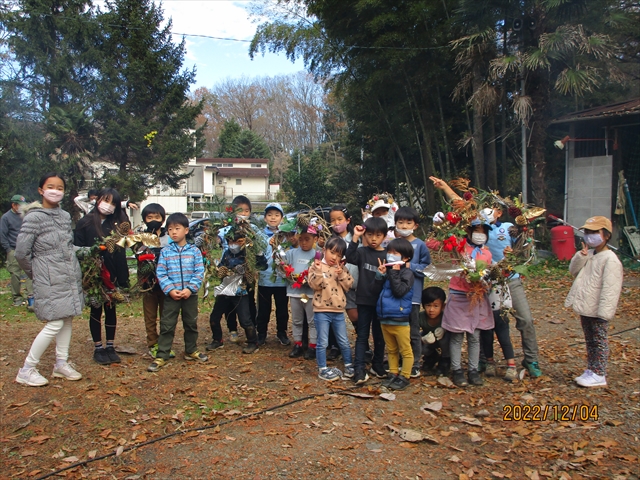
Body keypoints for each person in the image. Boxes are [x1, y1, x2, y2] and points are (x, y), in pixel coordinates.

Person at [15, 173, 84, 386]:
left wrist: (89, 251)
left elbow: (66, 247)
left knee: (67, 318)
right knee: (54, 322)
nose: (56, 190)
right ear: (41, 190)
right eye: (50, 186)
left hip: (68, 276)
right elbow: (21, 253)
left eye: (60, 187)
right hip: (48, 278)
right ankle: (27, 369)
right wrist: (36, 274)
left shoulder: (64, 216)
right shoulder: (34, 217)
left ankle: (61, 364)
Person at [479, 205, 543, 377]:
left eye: (491, 210)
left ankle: (531, 359)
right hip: (488, 281)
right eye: (483, 210)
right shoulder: (477, 228)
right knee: (487, 322)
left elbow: (523, 248)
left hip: (511, 279)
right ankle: (484, 358)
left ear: (499, 212)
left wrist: (523, 239)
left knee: (525, 319)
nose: (486, 213)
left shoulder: (508, 228)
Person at [565, 216, 623, 388]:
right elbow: (573, 271)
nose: (590, 236)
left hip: (598, 309)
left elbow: (610, 289)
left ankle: (599, 373)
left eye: (594, 232)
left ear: (605, 235)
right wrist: (581, 256)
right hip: (586, 306)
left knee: (599, 341)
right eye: (587, 232)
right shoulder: (589, 255)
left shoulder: (610, 259)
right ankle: (591, 369)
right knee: (590, 340)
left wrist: (605, 312)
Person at [74, 188, 130, 365]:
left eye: (113, 203)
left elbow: (121, 254)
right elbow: (76, 248)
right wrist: (93, 254)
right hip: (94, 275)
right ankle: (98, 347)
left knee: (111, 308)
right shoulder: (85, 223)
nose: (108, 206)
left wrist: (123, 279)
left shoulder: (117, 226)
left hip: (112, 274)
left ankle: (111, 346)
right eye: (106, 200)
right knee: (96, 309)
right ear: (98, 200)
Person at [147, 213, 207, 371]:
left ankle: (191, 350)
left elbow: (199, 272)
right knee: (167, 325)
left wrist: (189, 289)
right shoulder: (166, 252)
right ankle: (162, 355)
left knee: (191, 323)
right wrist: (171, 290)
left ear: (186, 230)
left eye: (177, 228)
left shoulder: (194, 251)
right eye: (170, 229)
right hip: (171, 296)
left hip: (190, 295)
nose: (173, 232)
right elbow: (161, 273)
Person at [441, 219, 494, 387]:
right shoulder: (460, 248)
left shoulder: (487, 253)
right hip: (459, 295)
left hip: (477, 297)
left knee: (475, 336)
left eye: (483, 231)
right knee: (456, 335)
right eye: (476, 230)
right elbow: (437, 243)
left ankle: (473, 370)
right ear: (469, 232)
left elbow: (489, 272)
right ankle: (457, 370)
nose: (480, 235)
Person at [207, 228, 265, 354]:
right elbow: (221, 267)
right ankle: (217, 340)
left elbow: (262, 265)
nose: (234, 244)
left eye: (238, 241)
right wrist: (219, 269)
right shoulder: (226, 253)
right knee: (214, 317)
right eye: (231, 241)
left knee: (245, 319)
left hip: (240, 291)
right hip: (225, 289)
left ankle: (252, 342)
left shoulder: (248, 254)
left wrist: (259, 255)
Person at [345, 216, 388, 384]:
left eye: (378, 235)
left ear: (384, 236)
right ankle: (359, 369)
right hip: (363, 301)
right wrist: (355, 237)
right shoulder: (362, 252)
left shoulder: (387, 255)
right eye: (369, 235)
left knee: (380, 336)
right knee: (362, 336)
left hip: (381, 302)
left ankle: (377, 365)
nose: (373, 239)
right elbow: (349, 256)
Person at [307, 236, 355, 381]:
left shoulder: (342, 269)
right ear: (324, 250)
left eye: (339, 255)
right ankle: (323, 369)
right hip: (321, 311)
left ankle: (348, 365)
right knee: (323, 341)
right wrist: (319, 271)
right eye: (332, 252)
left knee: (344, 341)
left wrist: (341, 275)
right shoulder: (316, 266)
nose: (335, 257)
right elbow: (314, 285)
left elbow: (349, 285)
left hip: (338, 311)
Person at [394, 206, 431, 377]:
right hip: (395, 296)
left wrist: (410, 266)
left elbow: (427, 268)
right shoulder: (392, 245)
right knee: (397, 329)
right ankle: (401, 359)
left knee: (413, 331)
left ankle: (415, 363)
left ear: (415, 225)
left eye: (408, 222)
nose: (404, 225)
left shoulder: (420, 245)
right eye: (400, 222)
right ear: (395, 224)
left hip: (413, 296)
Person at [218, 195, 259, 341]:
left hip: (247, 270)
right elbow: (216, 238)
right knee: (228, 299)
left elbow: (261, 245)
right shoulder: (227, 229)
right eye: (240, 211)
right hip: (228, 269)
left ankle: (252, 326)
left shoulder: (253, 229)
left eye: (247, 211)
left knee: (248, 300)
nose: (243, 214)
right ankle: (232, 329)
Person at [376, 238, 415, 391]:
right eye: (389, 252)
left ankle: (405, 375)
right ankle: (393, 373)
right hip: (385, 318)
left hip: (400, 319)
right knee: (391, 349)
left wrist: (394, 274)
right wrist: (381, 275)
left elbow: (399, 291)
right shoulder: (390, 271)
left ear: (405, 258)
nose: (391, 255)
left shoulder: (407, 273)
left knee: (405, 350)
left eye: (395, 253)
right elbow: (379, 290)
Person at [138, 203, 171, 358]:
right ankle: (153, 343)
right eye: (149, 217)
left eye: (157, 217)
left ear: (163, 219)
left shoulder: (169, 238)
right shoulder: (140, 238)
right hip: (148, 283)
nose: (153, 220)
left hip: (167, 284)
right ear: (144, 219)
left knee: (167, 316)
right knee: (150, 316)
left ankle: (165, 345)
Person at [326, 205, 359, 360]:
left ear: (348, 220)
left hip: (352, 283)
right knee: (333, 314)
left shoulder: (357, 238)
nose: (336, 223)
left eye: (340, 219)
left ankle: (362, 344)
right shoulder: (329, 239)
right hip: (333, 285)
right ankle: (334, 346)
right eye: (333, 220)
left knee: (354, 315)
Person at [256, 202, 290, 346]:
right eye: (269, 215)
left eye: (277, 215)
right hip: (265, 279)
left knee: (282, 310)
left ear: (282, 218)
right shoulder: (259, 235)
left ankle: (281, 333)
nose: (273, 218)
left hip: (282, 280)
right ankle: (261, 334)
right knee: (263, 309)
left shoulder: (286, 235)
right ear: (265, 218)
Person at [286, 225, 318, 359]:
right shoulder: (291, 253)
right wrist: (286, 273)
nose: (304, 243)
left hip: (308, 293)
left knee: (311, 321)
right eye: (301, 239)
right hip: (295, 293)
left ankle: (313, 346)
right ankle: (298, 344)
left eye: (307, 239)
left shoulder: (318, 254)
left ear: (314, 239)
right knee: (297, 320)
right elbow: (283, 268)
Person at [1, 194, 33, 308]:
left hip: (27, 249)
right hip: (13, 249)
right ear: (13, 205)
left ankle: (31, 296)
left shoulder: (26, 216)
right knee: (15, 274)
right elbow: (2, 235)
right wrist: (8, 249)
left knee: (31, 272)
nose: (21, 207)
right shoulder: (6, 217)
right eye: (19, 205)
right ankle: (17, 298)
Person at [419, 287, 450, 376]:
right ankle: (431, 357)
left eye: (436, 306)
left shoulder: (445, 317)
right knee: (420, 345)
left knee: (446, 339)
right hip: (429, 340)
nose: (431, 310)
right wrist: (422, 339)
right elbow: (412, 333)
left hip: (443, 341)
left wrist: (444, 329)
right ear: (423, 305)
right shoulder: (421, 317)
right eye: (428, 305)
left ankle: (445, 360)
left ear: (442, 306)